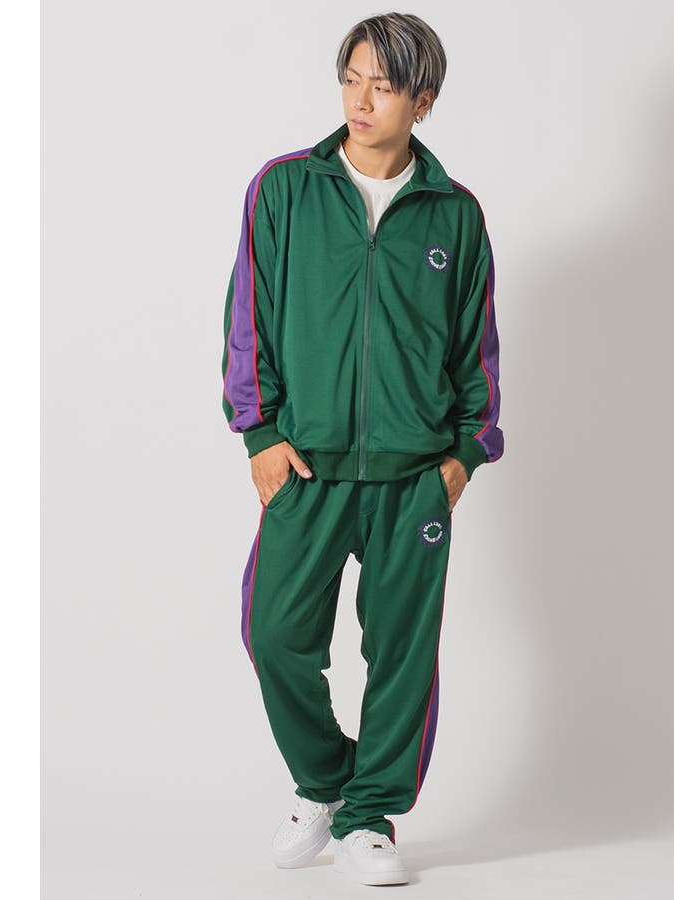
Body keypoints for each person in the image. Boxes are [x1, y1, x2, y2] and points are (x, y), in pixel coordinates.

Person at [220, 12, 504, 887]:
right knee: (274, 634)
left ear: (424, 99)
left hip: (415, 477)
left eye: (383, 84)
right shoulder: (285, 190)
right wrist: (260, 433)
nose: (361, 98)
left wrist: (464, 455)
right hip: (305, 467)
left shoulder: (455, 214)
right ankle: (328, 783)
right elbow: (248, 318)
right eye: (351, 78)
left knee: (402, 658)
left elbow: (477, 350)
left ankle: (370, 818)